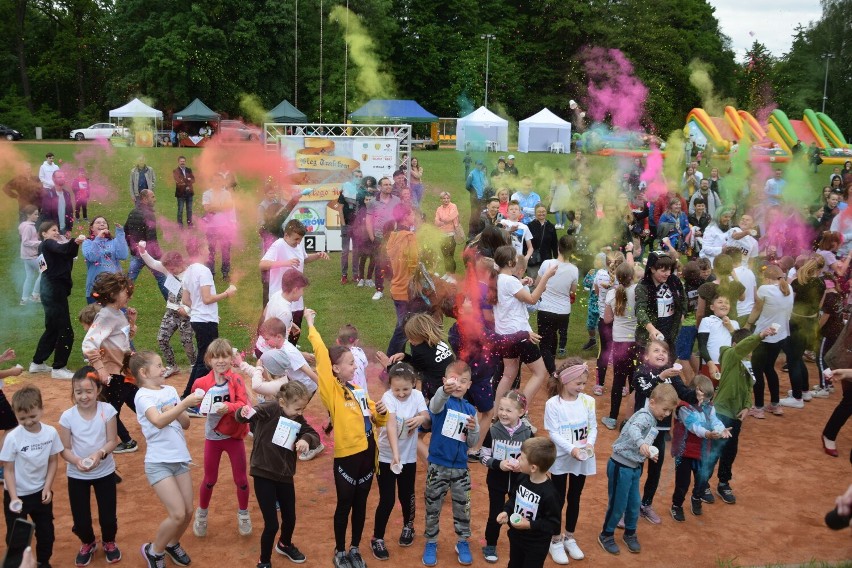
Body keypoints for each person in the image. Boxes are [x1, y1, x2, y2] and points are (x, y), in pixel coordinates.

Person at [306, 308, 388, 568]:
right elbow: (320, 352)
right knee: (345, 505)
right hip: (347, 458)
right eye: (351, 363)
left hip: (367, 456)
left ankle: (354, 548)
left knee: (361, 505)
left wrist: (382, 414)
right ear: (335, 368)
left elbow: (376, 418)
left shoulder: (359, 390)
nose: (355, 366)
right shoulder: (331, 389)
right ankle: (340, 551)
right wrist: (310, 323)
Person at [131, 351, 203, 568]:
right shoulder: (142, 396)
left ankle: (172, 543)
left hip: (179, 460)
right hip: (158, 463)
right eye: (159, 365)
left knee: (188, 511)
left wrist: (177, 408)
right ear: (144, 372)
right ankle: (154, 551)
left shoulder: (170, 390)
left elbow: (186, 423)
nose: (163, 369)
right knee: (177, 513)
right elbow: (158, 421)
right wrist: (184, 403)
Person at [236, 381, 320, 567]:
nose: (300, 412)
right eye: (298, 408)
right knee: (272, 524)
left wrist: (306, 440)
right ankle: (264, 561)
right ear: (282, 402)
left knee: (290, 517)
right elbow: (248, 415)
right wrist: (242, 413)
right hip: (263, 473)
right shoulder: (271, 408)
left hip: (284, 476)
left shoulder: (298, 419)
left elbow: (314, 435)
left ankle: (284, 544)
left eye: (302, 409)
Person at [598, 383, 679, 556]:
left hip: (633, 467)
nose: (666, 414)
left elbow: (642, 440)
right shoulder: (644, 416)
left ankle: (630, 533)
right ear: (652, 402)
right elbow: (634, 428)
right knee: (618, 505)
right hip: (621, 466)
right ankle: (606, 534)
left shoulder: (652, 418)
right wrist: (642, 444)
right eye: (664, 409)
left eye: (669, 411)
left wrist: (648, 453)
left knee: (634, 503)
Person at [704, 326, 776, 503]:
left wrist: (747, 406)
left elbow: (748, 388)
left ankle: (723, 483)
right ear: (737, 345)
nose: (750, 353)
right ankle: (702, 484)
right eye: (748, 349)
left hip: (736, 416)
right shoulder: (729, 355)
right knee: (714, 451)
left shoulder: (747, 365)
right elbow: (742, 348)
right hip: (720, 413)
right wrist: (760, 335)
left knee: (730, 451)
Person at [57, 367, 121, 566]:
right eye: (78, 392)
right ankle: (88, 542)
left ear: (98, 390)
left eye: (88, 391)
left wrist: (98, 454)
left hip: (105, 472)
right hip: (77, 475)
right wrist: (76, 461)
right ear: (73, 393)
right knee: (81, 519)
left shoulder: (107, 411)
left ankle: (109, 541)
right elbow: (64, 449)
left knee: (108, 516)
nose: (84, 396)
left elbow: (113, 440)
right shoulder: (67, 417)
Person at [190, 339, 252, 538]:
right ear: (209, 360)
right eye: (216, 357)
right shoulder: (200, 383)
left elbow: (244, 403)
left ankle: (243, 514)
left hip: (234, 436)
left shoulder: (237, 380)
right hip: (213, 438)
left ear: (230, 358)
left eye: (225, 356)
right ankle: (202, 514)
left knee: (241, 479)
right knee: (209, 479)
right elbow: (195, 404)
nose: (221, 361)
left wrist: (229, 407)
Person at [421, 360, 479, 567]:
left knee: (463, 507)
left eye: (463, 381)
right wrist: (443, 391)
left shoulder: (471, 410)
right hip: (438, 466)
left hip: (461, 468)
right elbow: (434, 405)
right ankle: (431, 542)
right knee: (433, 506)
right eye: (454, 380)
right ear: (445, 381)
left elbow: (472, 443)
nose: (459, 384)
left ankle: (462, 541)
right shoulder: (441, 403)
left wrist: (473, 429)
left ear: (469, 384)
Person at [632, 340, 696, 524]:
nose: (661, 354)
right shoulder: (642, 372)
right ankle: (630, 505)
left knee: (655, 471)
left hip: (660, 431)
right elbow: (645, 391)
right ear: (646, 356)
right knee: (635, 468)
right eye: (656, 350)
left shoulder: (672, 375)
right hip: (641, 431)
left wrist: (699, 394)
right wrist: (660, 377)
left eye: (664, 351)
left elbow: (684, 393)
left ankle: (646, 504)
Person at [370, 363, 429, 561]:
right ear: (390, 387)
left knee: (407, 495)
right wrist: (395, 454)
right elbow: (392, 425)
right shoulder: (387, 398)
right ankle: (377, 538)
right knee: (387, 499)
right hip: (387, 456)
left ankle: (408, 527)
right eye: (397, 390)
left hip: (409, 456)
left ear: (414, 383)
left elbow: (427, 417)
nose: (402, 394)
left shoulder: (418, 396)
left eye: (406, 389)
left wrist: (421, 419)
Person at [0, 385, 63, 568]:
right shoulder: (13, 437)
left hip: (41, 493)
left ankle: (43, 562)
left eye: (32, 416)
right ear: (15, 415)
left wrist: (46, 488)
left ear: (41, 409)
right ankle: (19, 564)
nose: (28, 421)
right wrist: (13, 497)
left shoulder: (50, 433)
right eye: (22, 418)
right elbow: (8, 470)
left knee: (46, 533)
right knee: (16, 536)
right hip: (17, 495)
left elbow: (53, 462)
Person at [544, 359, 596, 565]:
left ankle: (570, 536)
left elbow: (593, 427)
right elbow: (553, 433)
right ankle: (555, 539)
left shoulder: (588, 401)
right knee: (558, 498)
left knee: (575, 496)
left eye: (584, 384)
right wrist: (572, 449)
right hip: (561, 459)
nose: (582, 388)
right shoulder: (552, 404)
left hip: (582, 459)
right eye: (578, 384)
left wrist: (589, 445)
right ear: (565, 381)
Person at [81, 272, 140, 455]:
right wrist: (100, 369)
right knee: (109, 411)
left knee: (136, 402)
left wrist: (131, 322)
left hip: (124, 371)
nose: (129, 293)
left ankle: (160, 426)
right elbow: (89, 343)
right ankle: (128, 441)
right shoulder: (106, 316)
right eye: (125, 291)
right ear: (113, 294)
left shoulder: (117, 313)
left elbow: (121, 339)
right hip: (113, 374)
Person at [493, 246, 558, 408]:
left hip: (504, 335)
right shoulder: (510, 281)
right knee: (540, 373)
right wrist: (546, 277)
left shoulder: (497, 279)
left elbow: (508, 293)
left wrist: (520, 282)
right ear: (510, 262)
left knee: (508, 374)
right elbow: (532, 299)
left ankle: (497, 413)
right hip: (521, 335)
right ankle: (518, 409)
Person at [479, 390, 532, 564]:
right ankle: (491, 544)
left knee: (517, 514)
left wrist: (522, 467)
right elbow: (483, 456)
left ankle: (519, 544)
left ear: (521, 412)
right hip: (496, 482)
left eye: (509, 410)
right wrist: (498, 464)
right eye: (501, 409)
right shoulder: (493, 431)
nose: (503, 413)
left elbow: (533, 457)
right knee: (495, 513)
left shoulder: (528, 433)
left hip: (519, 483)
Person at [28, 222, 86, 380]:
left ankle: (37, 363)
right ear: (43, 234)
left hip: (48, 292)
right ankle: (59, 367)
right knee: (65, 330)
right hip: (54, 292)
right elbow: (63, 250)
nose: (56, 232)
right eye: (52, 230)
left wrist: (73, 244)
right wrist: (75, 241)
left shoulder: (44, 248)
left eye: (56, 230)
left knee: (52, 328)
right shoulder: (48, 243)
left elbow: (65, 254)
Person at [669, 374, 730, 522]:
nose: (706, 403)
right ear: (693, 393)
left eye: (709, 399)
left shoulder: (709, 406)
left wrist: (721, 429)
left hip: (702, 451)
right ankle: (677, 505)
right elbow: (693, 426)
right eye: (704, 399)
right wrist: (708, 434)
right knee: (682, 483)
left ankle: (696, 498)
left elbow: (714, 419)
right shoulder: (684, 408)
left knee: (702, 479)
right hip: (684, 452)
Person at [259, 219, 329, 341]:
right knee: (277, 332)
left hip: (296, 297)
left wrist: (317, 255)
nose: (298, 242)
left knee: (295, 330)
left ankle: (291, 349)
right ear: (286, 235)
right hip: (280, 296)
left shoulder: (299, 245)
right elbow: (262, 264)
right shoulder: (279, 245)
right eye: (296, 239)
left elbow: (304, 259)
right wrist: (285, 263)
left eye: (300, 240)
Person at [496, 438, 561, 568]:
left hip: (536, 544)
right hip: (516, 537)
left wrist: (529, 524)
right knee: (514, 564)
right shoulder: (522, 478)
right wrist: (506, 511)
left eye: (522, 458)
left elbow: (553, 524)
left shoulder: (550, 494)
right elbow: (514, 498)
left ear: (533, 467)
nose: (518, 458)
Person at [180, 256, 237, 401]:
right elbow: (207, 299)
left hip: (199, 319)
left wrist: (200, 311)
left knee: (202, 359)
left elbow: (186, 300)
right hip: (206, 321)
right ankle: (192, 400)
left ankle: (187, 395)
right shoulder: (204, 271)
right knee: (207, 361)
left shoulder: (189, 271)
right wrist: (227, 293)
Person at [139, 246, 197, 378]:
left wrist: (187, 309)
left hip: (187, 315)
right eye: (168, 269)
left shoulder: (191, 275)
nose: (170, 272)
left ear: (181, 263)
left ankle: (194, 365)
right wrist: (143, 252)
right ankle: (172, 366)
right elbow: (153, 263)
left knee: (186, 341)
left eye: (173, 269)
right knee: (162, 339)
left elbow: (197, 297)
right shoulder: (169, 269)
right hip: (171, 311)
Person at [745, 264, 794, 417]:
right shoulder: (789, 289)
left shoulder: (765, 289)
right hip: (780, 335)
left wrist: (747, 324)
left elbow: (756, 310)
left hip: (763, 335)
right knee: (769, 368)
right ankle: (775, 404)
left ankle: (758, 407)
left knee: (757, 370)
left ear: (767, 278)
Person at [784, 255, 825, 407]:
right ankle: (804, 391)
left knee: (793, 359)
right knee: (798, 357)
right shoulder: (822, 284)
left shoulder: (798, 282)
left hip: (796, 322)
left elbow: (788, 302)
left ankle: (797, 398)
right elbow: (820, 305)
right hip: (811, 323)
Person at [602, 262, 639, 430]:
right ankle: (632, 418)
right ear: (632, 276)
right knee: (634, 381)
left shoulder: (611, 293)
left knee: (618, 380)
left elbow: (607, 320)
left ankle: (612, 418)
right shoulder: (638, 291)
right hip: (636, 342)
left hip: (619, 342)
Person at [536, 235, 579, 374]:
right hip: (563, 312)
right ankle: (552, 369)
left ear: (558, 248)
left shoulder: (547, 264)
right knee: (553, 338)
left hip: (545, 309)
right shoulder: (574, 269)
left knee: (544, 345)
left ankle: (553, 373)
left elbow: (538, 285)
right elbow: (573, 291)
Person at [634, 251, 686, 356]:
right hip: (649, 336)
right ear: (652, 269)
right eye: (663, 270)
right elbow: (640, 310)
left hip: (671, 333)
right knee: (649, 369)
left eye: (670, 270)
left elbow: (683, 298)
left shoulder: (674, 281)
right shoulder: (643, 286)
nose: (668, 273)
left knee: (669, 365)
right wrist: (651, 329)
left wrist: (682, 313)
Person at [385, 205, 420, 353]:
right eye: (412, 214)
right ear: (405, 216)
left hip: (396, 288)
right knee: (404, 330)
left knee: (405, 327)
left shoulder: (392, 236)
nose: (414, 217)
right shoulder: (410, 238)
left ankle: (399, 360)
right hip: (407, 290)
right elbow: (414, 264)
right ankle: (389, 364)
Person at [124, 189, 168, 300]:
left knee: (129, 281)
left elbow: (125, 231)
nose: (155, 199)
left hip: (136, 254)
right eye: (152, 197)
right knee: (162, 278)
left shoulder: (132, 212)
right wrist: (157, 256)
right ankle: (173, 305)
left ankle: (119, 304)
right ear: (144, 199)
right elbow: (151, 238)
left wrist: (132, 248)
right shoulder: (149, 215)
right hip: (148, 255)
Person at [365, 177, 402, 301]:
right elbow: (369, 220)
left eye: (390, 184)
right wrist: (371, 236)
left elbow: (400, 218)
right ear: (380, 187)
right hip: (379, 237)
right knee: (379, 264)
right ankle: (379, 290)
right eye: (385, 184)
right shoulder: (373, 202)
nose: (388, 186)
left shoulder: (397, 200)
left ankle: (395, 289)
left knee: (394, 264)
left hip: (394, 237)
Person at [82, 216, 129, 304]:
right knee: (97, 316)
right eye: (98, 222)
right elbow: (92, 257)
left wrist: (120, 234)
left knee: (117, 316)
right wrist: (99, 238)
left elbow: (123, 255)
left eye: (104, 222)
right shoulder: (87, 243)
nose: (102, 224)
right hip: (96, 286)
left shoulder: (114, 242)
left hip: (115, 285)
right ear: (92, 228)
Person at [336, 169, 363, 284]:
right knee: (345, 251)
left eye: (360, 176)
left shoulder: (363, 191)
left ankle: (356, 275)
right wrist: (343, 224)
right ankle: (344, 274)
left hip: (358, 226)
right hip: (346, 225)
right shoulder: (345, 190)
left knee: (356, 251)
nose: (358, 178)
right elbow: (340, 208)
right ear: (352, 177)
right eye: (356, 176)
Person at [38, 170, 74, 237]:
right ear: (53, 178)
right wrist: (52, 231)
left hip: (65, 230)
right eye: (59, 177)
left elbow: (70, 212)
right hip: (53, 231)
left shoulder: (67, 194)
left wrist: (69, 229)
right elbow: (46, 215)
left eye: (63, 177)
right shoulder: (48, 195)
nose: (62, 178)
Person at [18, 205, 41, 305]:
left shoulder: (26, 225)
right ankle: (35, 295)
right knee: (45, 271)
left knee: (29, 276)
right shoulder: (28, 227)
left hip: (26, 256)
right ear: (28, 215)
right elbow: (25, 242)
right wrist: (39, 243)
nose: (37, 216)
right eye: (35, 214)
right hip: (32, 256)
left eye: (37, 214)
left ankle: (24, 299)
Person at [434, 191, 461, 280]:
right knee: (445, 255)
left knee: (450, 255)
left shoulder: (453, 206)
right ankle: (447, 273)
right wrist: (443, 221)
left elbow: (450, 217)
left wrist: (442, 220)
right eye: (444, 198)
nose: (446, 200)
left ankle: (452, 275)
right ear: (441, 199)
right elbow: (436, 222)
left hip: (451, 235)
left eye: (448, 198)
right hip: (442, 235)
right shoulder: (439, 209)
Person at [528, 204, 557, 272]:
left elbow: (554, 244)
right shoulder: (530, 226)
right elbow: (526, 244)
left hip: (546, 259)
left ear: (546, 212)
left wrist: (557, 259)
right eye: (539, 212)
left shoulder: (551, 227)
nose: (541, 213)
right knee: (533, 281)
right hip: (533, 260)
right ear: (535, 213)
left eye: (543, 211)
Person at [466, 161, 489, 237]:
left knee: (480, 214)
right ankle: (471, 232)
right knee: (474, 214)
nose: (479, 166)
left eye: (481, 164)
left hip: (481, 198)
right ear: (475, 165)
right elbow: (467, 186)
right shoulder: (472, 174)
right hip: (474, 198)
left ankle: (478, 231)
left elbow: (483, 185)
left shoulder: (482, 174)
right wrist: (474, 192)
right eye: (478, 164)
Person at [173, 155, 195, 228]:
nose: (182, 162)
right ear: (178, 162)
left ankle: (190, 224)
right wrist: (188, 181)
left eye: (183, 161)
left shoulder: (189, 170)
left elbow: (193, 180)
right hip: (181, 194)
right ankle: (180, 225)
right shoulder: (175, 171)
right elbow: (179, 181)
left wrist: (186, 180)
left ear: (185, 162)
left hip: (189, 193)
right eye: (181, 161)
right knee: (180, 210)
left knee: (189, 210)